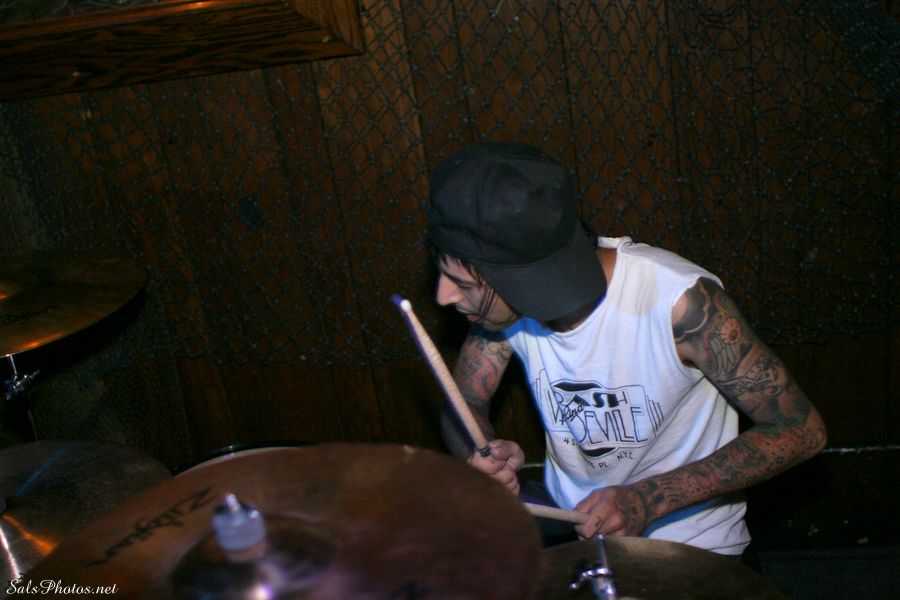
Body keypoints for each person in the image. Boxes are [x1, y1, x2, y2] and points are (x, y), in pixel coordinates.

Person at [426, 141, 827, 558]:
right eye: (443, 273)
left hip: (692, 545)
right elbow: (463, 403)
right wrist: (479, 452)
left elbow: (801, 430)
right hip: (575, 529)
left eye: (464, 284)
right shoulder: (501, 311)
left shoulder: (680, 304)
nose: (442, 296)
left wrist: (648, 499)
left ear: (526, 281)